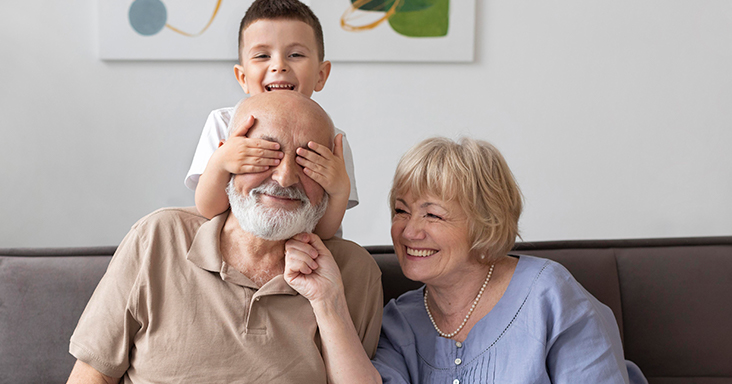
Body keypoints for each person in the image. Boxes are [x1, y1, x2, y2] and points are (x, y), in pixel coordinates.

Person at [66, 92, 383, 384]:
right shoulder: (159, 236)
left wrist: (329, 303)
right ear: (227, 160)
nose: (285, 177)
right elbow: (93, 374)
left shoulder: (353, 271)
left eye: (308, 161)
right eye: (265, 153)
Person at [370, 137, 648, 383]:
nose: (408, 231)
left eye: (432, 215)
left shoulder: (549, 295)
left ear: (484, 221)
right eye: (400, 210)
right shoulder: (398, 322)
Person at [186, 0, 356, 239]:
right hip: (238, 248)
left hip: (302, 251)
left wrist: (339, 191)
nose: (279, 66)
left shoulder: (331, 137)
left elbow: (326, 233)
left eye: (295, 54)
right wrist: (221, 162)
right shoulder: (224, 122)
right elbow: (208, 209)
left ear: (321, 75)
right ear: (242, 77)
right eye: (263, 55)